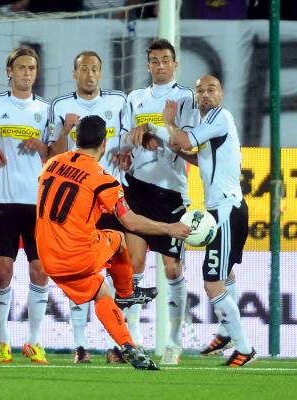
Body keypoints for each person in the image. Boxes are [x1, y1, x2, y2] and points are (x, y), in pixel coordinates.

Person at [36, 115, 191, 370]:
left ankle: (128, 345)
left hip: (47, 257)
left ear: (76, 139)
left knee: (101, 293)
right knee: (118, 238)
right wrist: (168, 228)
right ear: (104, 143)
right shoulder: (103, 179)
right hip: (77, 253)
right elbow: (131, 222)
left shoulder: (52, 164)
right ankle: (128, 293)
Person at [48, 51, 157, 364]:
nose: (89, 74)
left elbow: (129, 139)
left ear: (101, 72)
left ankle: (119, 345)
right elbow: (53, 153)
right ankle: (80, 345)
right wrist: (63, 132)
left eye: (95, 68)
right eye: (84, 68)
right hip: (80, 203)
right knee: (88, 271)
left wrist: (133, 147)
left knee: (125, 265)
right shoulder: (60, 106)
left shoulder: (119, 101)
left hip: (112, 195)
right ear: (75, 73)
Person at [159, 75, 257, 367]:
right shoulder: (212, 124)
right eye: (200, 90)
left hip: (225, 210)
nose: (204, 94)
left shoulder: (219, 117)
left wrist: (168, 123)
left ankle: (244, 349)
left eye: (210, 89)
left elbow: (184, 139)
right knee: (225, 274)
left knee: (212, 282)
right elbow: (203, 157)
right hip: (226, 208)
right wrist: (182, 153)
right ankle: (226, 333)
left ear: (221, 93)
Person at [122, 38, 198, 365]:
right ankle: (132, 339)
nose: (160, 65)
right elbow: (124, 138)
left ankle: (173, 341)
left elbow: (190, 143)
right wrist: (134, 138)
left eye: (166, 60)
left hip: (172, 192)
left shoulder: (187, 98)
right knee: (133, 264)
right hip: (137, 187)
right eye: (154, 60)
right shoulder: (135, 98)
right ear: (148, 65)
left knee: (172, 267)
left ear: (175, 64)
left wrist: (158, 130)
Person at [0, 46, 50, 364]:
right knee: (2, 271)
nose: (27, 73)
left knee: (40, 270)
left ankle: (34, 342)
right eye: (21, 67)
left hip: (36, 203)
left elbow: (57, 154)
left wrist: (43, 147)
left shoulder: (46, 110)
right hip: (3, 202)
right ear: (10, 71)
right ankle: (2, 340)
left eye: (32, 68)